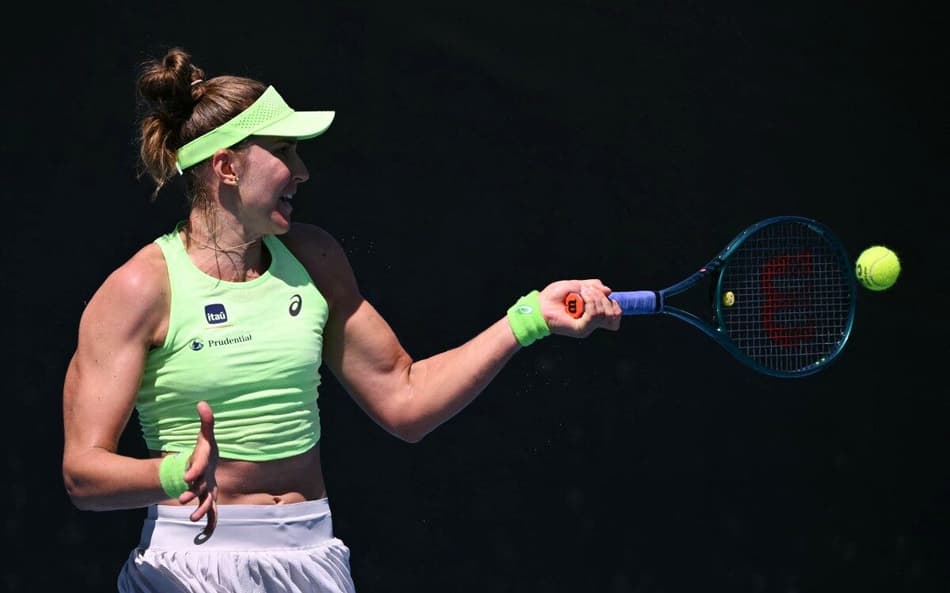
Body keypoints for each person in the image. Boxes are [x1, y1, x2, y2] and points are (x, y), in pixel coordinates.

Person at [61, 46, 622, 593]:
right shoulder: (139, 288)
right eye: (285, 150)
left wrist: (528, 319)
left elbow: (404, 400)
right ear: (226, 166)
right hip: (190, 568)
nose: (302, 172)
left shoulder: (314, 257)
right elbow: (83, 474)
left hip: (312, 559)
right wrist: (172, 473)